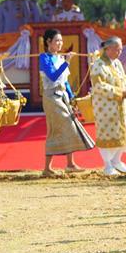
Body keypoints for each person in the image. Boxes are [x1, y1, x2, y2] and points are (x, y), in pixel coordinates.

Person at [39, 29, 95, 176]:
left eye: (61, 41)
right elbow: (52, 76)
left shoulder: (61, 58)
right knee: (61, 127)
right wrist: (67, 63)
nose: (60, 43)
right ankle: (49, 167)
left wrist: (71, 97)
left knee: (68, 125)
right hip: (51, 97)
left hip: (62, 95)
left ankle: (68, 164)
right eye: (56, 40)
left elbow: (65, 81)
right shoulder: (44, 57)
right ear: (48, 42)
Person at [91, 36, 126, 176]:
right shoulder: (98, 65)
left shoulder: (117, 63)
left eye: (121, 49)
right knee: (108, 135)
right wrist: (119, 92)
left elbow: (124, 79)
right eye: (117, 49)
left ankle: (117, 161)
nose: (119, 52)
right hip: (105, 108)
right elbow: (98, 86)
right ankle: (107, 165)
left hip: (121, 106)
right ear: (108, 49)